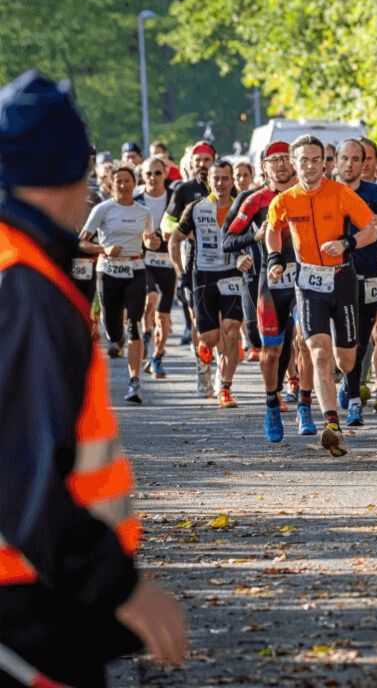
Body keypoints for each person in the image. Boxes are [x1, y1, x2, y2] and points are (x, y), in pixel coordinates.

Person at [0, 69, 186, 688]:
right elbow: (20, 470)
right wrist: (118, 587)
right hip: (25, 603)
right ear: (70, 173)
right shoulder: (26, 288)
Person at [265, 135, 377, 457]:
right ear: (293, 162)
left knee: (345, 359)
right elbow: (273, 230)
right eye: (304, 161)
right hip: (308, 281)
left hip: (342, 279)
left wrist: (348, 244)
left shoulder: (340, 193)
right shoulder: (284, 200)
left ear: (325, 163)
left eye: (317, 160)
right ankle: (332, 425)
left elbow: (371, 227)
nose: (311, 166)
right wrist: (275, 259)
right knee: (317, 351)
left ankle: (342, 383)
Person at [223, 140, 315, 440]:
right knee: (272, 351)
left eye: (285, 158)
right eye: (273, 159)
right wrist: (255, 237)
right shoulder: (254, 201)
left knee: (306, 342)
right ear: (264, 167)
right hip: (269, 282)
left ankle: (304, 405)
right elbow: (228, 239)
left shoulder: (310, 193)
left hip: (306, 279)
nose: (280, 164)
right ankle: (271, 405)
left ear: (296, 162)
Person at [334, 139, 377, 427]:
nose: (350, 164)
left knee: (363, 340)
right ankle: (353, 400)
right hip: (336, 276)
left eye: (356, 159)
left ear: (365, 163)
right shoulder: (327, 192)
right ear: (336, 161)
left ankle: (348, 385)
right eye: (344, 158)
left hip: (370, 274)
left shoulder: (376, 192)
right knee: (343, 340)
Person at [169, 159, 248, 409]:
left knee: (232, 329)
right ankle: (211, 351)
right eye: (216, 179)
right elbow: (174, 239)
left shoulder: (242, 207)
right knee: (211, 337)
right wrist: (180, 273)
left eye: (226, 178)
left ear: (232, 180)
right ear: (209, 181)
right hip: (203, 275)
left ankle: (224, 387)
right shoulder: (195, 208)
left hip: (233, 274)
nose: (221, 183)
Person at [79, 165, 157, 403]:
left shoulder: (144, 212)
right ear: (111, 185)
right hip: (108, 271)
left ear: (135, 184)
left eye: (127, 181)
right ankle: (114, 331)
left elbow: (147, 238)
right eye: (118, 182)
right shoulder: (103, 209)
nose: (123, 185)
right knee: (113, 331)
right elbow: (82, 243)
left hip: (135, 270)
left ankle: (134, 382)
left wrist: (152, 243)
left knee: (135, 324)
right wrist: (104, 249)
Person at [162, 141, 217, 396]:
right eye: (199, 160)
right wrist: (187, 231)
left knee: (223, 322)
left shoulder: (225, 184)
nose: (203, 165)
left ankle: (222, 375)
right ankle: (203, 367)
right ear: (191, 163)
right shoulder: (184, 190)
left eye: (208, 160)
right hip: (194, 262)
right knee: (198, 319)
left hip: (225, 264)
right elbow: (167, 225)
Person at [135, 156, 176, 379]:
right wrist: (144, 240)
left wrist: (171, 238)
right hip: (144, 258)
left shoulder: (173, 197)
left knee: (164, 317)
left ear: (165, 175)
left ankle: (157, 357)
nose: (153, 178)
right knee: (150, 297)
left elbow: (183, 224)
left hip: (168, 260)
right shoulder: (136, 199)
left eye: (157, 173)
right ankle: (146, 334)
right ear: (142, 176)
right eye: (148, 173)